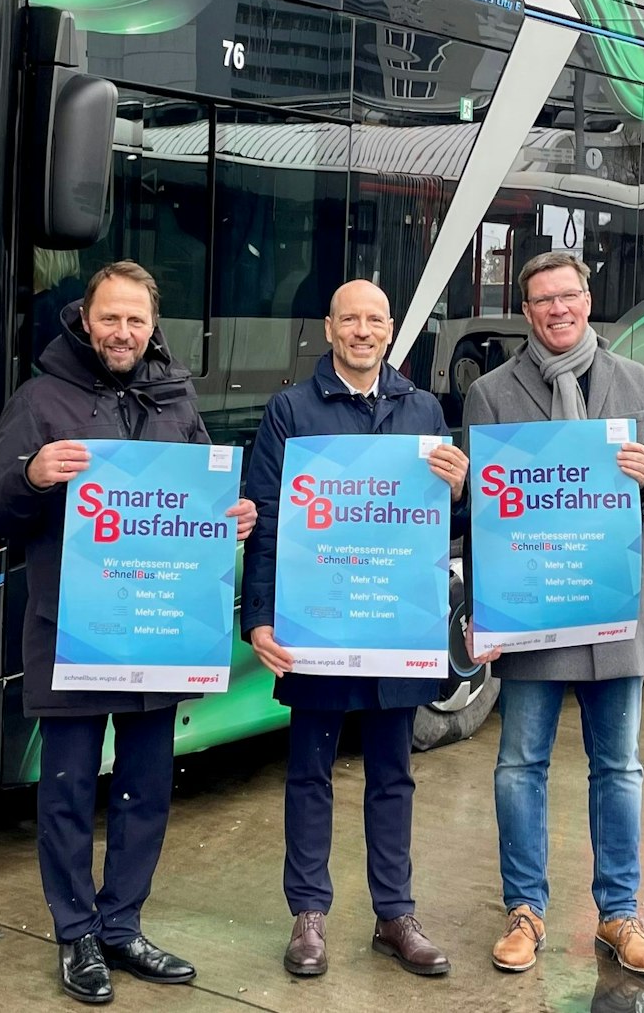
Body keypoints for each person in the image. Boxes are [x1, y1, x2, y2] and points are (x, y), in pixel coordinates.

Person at [0, 260, 256, 1006]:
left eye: (135, 319)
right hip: (73, 630)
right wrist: (31, 476)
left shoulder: (175, 397)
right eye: (109, 318)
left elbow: (197, 500)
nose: (122, 332)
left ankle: (123, 924)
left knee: (145, 788)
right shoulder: (41, 401)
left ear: (152, 325)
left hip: (158, 630)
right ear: (84, 321)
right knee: (66, 790)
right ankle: (76, 933)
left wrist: (233, 515)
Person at [461, 250, 644, 977]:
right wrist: (482, 615)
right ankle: (525, 911)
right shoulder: (492, 394)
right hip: (535, 618)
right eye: (542, 301)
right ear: (526, 313)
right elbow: (484, 518)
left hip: (614, 617)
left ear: (587, 300)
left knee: (617, 768)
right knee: (520, 764)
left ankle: (618, 916)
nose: (558, 309)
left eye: (568, 295)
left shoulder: (637, 382)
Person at [241, 279, 470, 979]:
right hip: (317, 626)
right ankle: (308, 915)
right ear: (330, 329)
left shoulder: (424, 408)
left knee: (393, 774)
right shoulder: (290, 410)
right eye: (350, 319)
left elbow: (446, 527)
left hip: (396, 625)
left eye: (374, 319)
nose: (362, 330)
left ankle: (394, 913)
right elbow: (269, 523)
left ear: (390, 329)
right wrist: (257, 617)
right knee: (309, 770)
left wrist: (460, 490)